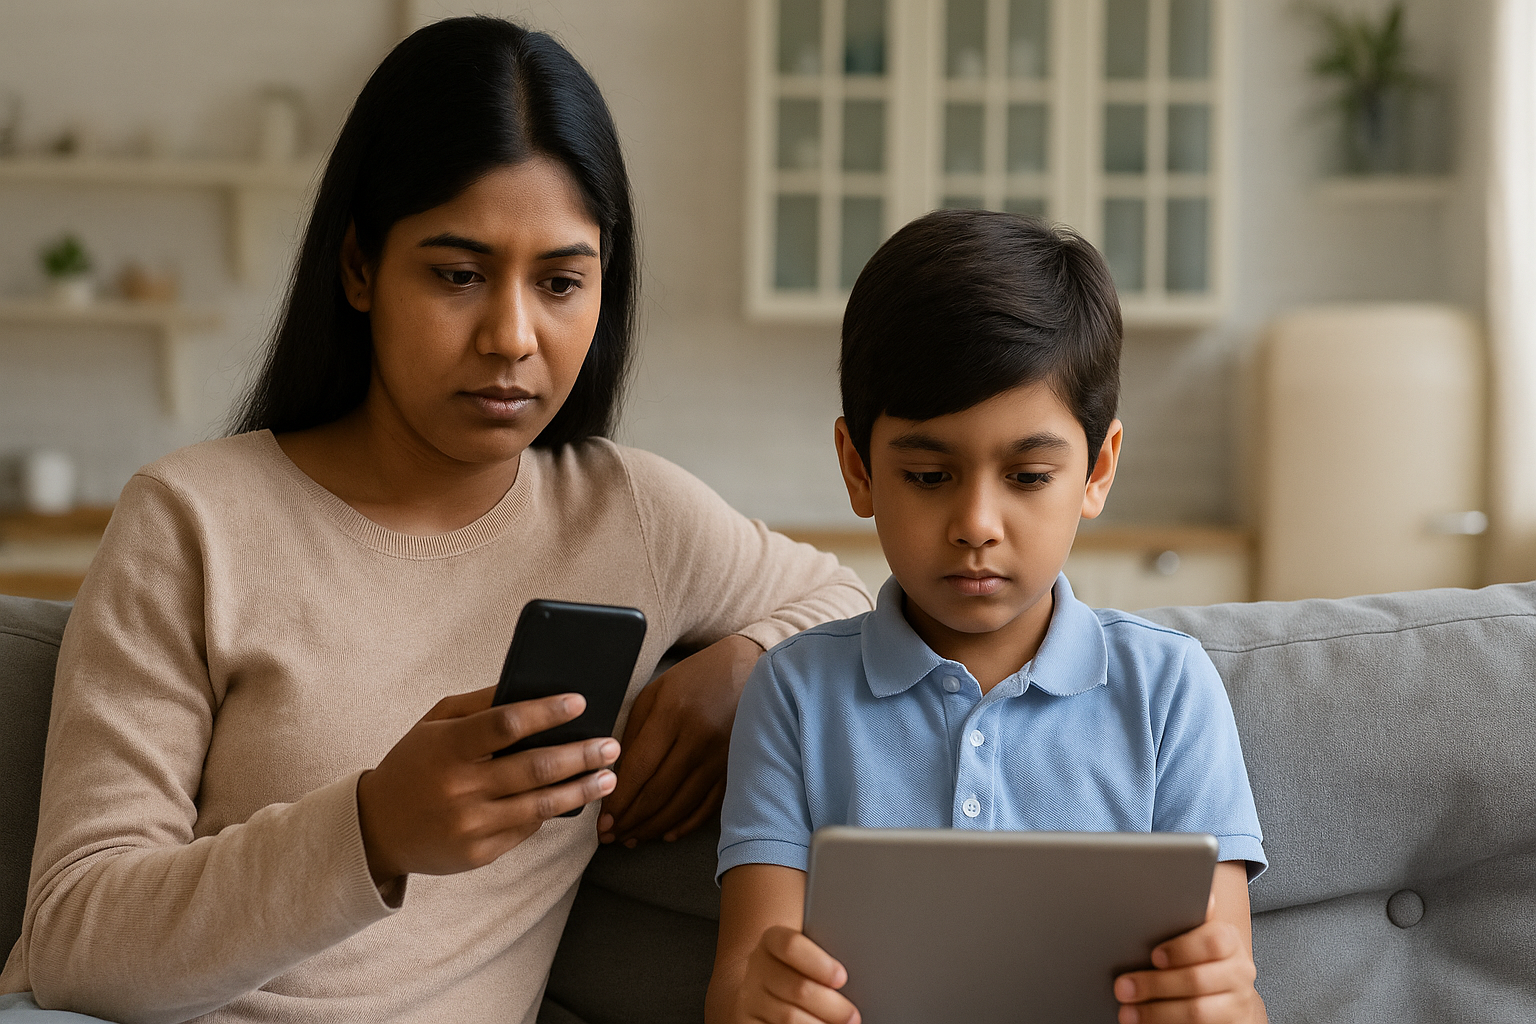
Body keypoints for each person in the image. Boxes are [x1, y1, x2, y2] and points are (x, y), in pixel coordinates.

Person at [0, 17, 871, 1024]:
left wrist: (745, 666)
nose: (511, 336)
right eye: (458, 274)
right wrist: (372, 829)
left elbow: (838, 595)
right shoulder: (191, 519)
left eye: (560, 281)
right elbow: (72, 941)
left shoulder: (630, 514)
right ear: (360, 268)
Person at [706, 210, 1268, 1024]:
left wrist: (1226, 1005)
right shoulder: (794, 694)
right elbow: (739, 983)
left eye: (1029, 475)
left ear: (1096, 471)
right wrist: (759, 998)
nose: (977, 522)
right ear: (859, 471)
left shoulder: (1171, 690)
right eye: (930, 476)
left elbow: (1228, 991)